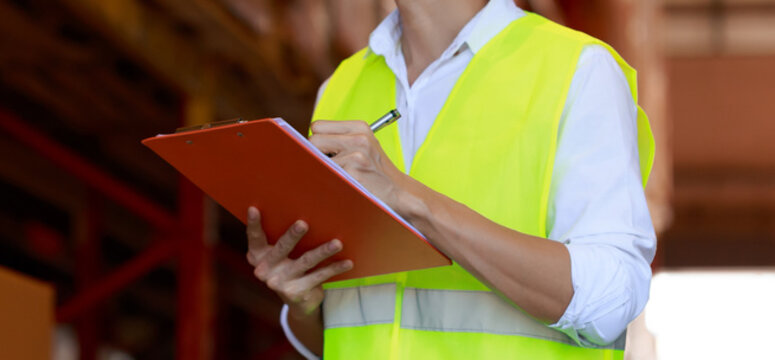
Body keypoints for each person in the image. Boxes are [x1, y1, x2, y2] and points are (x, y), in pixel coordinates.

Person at [243, 0, 656, 359]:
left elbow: (610, 302)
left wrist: (410, 200)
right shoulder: (341, 87)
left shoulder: (577, 70)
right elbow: (341, 331)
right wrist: (302, 303)